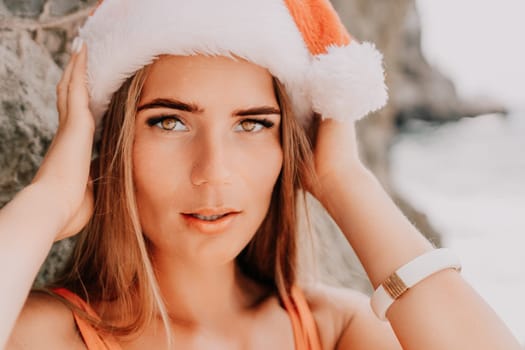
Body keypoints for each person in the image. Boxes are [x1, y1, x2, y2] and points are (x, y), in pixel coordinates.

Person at [1, 0, 521, 349]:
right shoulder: (53, 334)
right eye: (170, 121)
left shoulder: (334, 331)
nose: (214, 172)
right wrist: (49, 198)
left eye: (252, 124)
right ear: (114, 144)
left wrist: (344, 181)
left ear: (287, 148)